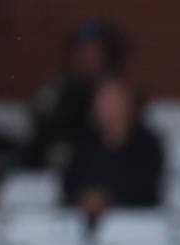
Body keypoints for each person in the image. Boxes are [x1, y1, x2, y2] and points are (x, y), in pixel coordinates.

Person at [23, 19, 126, 169]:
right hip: (53, 167)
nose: (89, 58)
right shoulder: (57, 89)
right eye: (83, 50)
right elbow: (39, 130)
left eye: (96, 52)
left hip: (100, 168)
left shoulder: (116, 93)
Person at [62, 76, 163, 224]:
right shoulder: (82, 143)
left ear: (129, 104)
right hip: (84, 223)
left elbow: (146, 188)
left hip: (136, 224)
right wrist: (84, 199)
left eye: (114, 103)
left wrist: (106, 200)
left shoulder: (148, 144)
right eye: (103, 103)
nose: (108, 109)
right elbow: (69, 184)